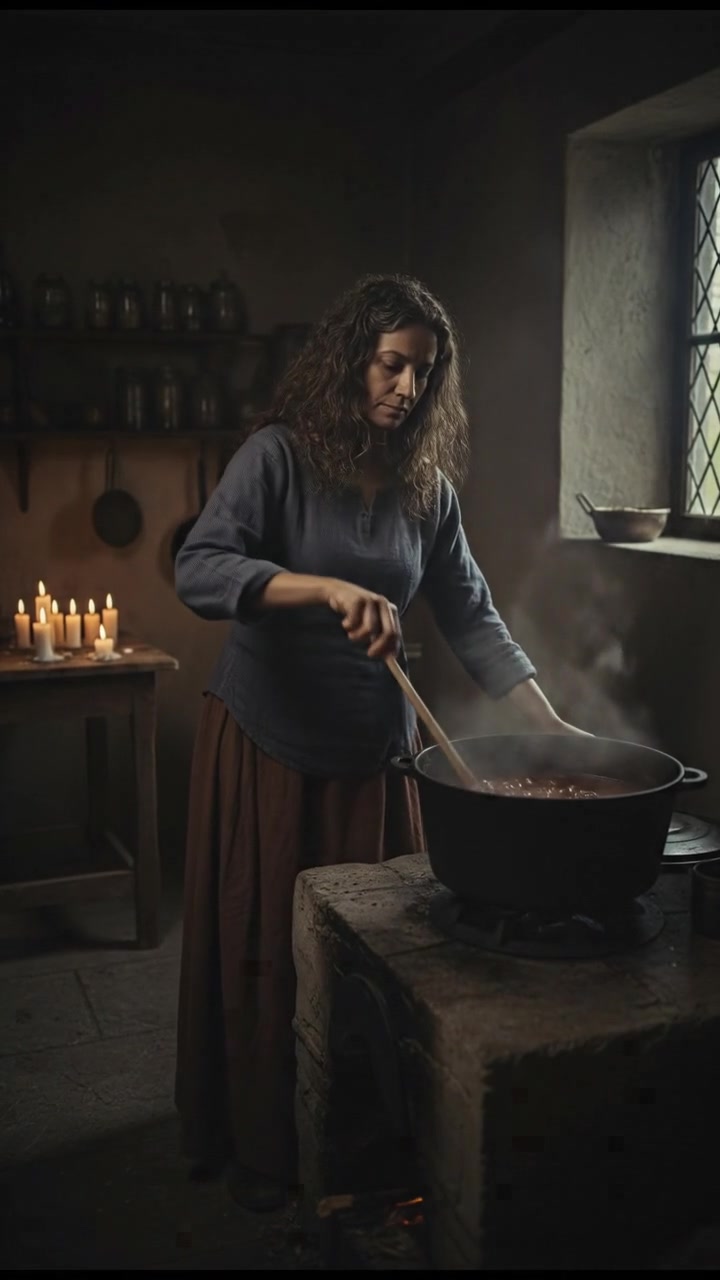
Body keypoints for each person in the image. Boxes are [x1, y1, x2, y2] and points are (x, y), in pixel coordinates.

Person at [174, 272, 586, 1212]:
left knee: (369, 968)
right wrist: (321, 590)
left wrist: (554, 727)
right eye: (391, 364)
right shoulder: (275, 458)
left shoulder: (424, 489)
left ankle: (358, 1148)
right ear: (351, 360)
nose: (405, 388)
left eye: (423, 374)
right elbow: (200, 566)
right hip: (269, 748)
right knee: (270, 954)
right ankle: (264, 1144)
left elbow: (474, 621)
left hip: (374, 758)